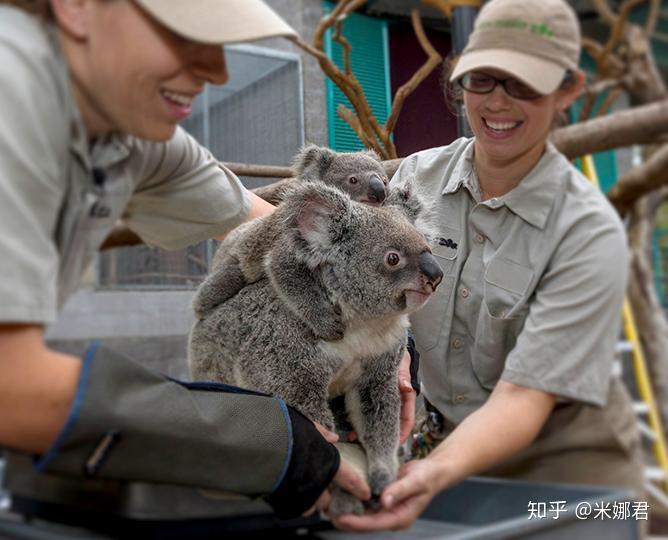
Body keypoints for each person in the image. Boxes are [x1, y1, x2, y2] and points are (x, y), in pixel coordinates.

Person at [0, 0, 373, 519]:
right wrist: (269, 446)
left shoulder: (125, 131)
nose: (216, 72)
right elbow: (12, 388)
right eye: (183, 33)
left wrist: (375, 331)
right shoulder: (13, 83)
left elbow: (264, 226)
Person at [334, 0, 645, 531]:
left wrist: (435, 472)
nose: (499, 102)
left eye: (524, 84)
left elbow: (524, 396)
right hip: (456, 450)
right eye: (483, 80)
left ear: (567, 90)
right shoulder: (414, 182)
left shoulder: (586, 230)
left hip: (572, 473)